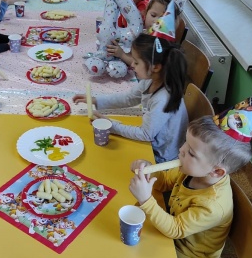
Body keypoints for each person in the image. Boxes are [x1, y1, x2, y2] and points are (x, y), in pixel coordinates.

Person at [129, 114, 252, 258]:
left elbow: (175, 229)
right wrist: (149, 170)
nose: (181, 150)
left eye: (191, 152)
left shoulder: (212, 205)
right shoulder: (192, 169)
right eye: (185, 143)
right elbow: (165, 181)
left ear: (216, 172)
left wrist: (146, 200)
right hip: (171, 234)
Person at [73, 33, 188, 163]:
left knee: (104, 158)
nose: (132, 64)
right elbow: (129, 98)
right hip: (150, 143)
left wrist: (112, 126)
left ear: (155, 67)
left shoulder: (162, 99)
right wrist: (96, 100)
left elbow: (146, 134)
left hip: (160, 157)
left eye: (136, 62)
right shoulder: (151, 80)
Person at [107, 0, 182, 68]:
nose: (156, 21)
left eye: (163, 19)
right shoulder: (144, 32)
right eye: (153, 15)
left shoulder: (159, 45)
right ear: (146, 13)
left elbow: (140, 64)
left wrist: (121, 54)